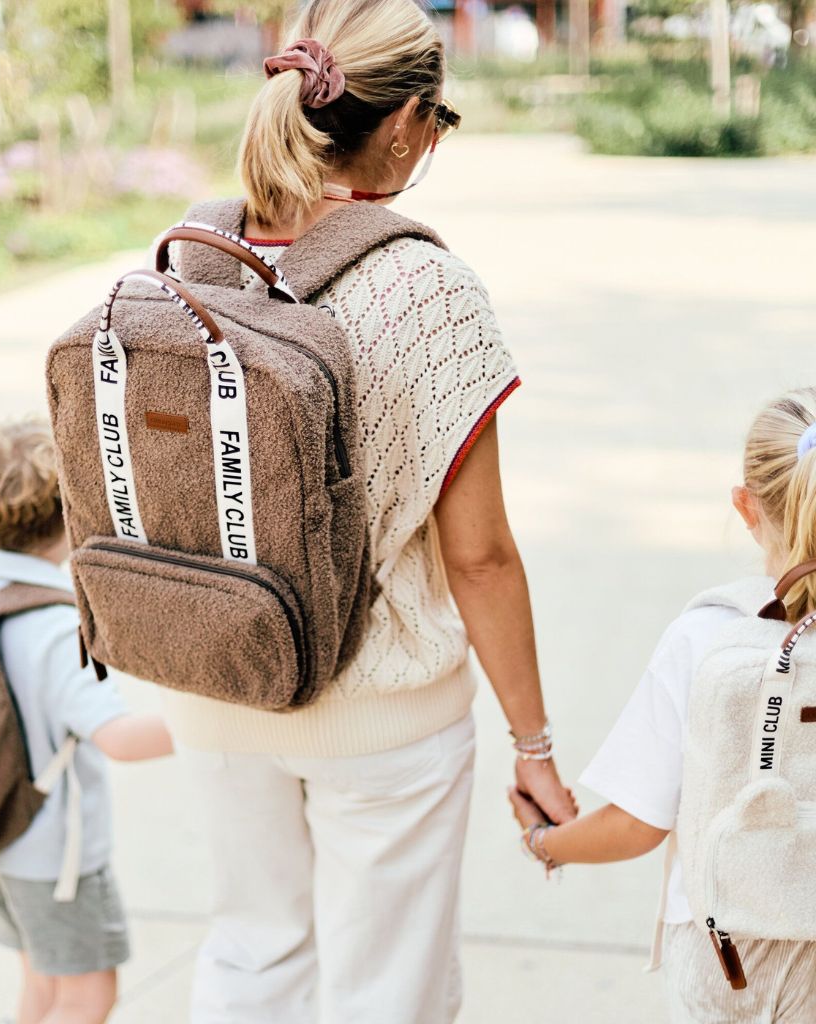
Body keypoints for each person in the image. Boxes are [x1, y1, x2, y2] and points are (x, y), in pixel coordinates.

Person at [161, 2, 577, 1021]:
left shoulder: (191, 253)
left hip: (216, 684)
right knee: (387, 991)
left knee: (253, 954)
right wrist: (533, 745)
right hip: (378, 715)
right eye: (439, 121)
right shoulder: (425, 286)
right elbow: (477, 557)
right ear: (403, 125)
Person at [508, 387, 816, 1022]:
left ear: (745, 506)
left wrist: (546, 842)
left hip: (724, 951)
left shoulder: (705, 640)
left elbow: (637, 825)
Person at [0, 418, 173, 1024]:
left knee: (42, 983)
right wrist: (216, 722)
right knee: (87, 995)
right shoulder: (55, 629)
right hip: (55, 859)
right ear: (73, 508)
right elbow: (121, 739)